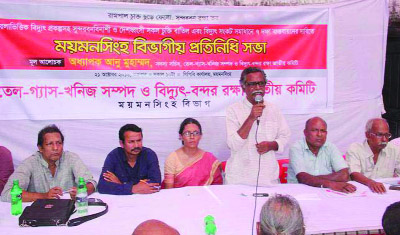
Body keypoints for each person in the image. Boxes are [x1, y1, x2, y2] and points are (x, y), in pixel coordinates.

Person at [225, 67, 291, 186]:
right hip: (239, 180)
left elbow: (285, 136)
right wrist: (251, 117)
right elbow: (233, 144)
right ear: (243, 86)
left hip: (268, 179)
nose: (257, 88)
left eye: (261, 83)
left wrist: (272, 145)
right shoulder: (233, 110)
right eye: (252, 84)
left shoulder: (273, 109)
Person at [1, 125, 96, 202]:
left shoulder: (71, 158)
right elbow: (7, 193)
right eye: (50, 144)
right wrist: (44, 196)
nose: (56, 148)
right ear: (40, 148)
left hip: (69, 212)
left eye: (59, 143)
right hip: (38, 216)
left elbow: (92, 183)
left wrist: (83, 190)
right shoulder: (29, 163)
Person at [287, 117, 356, 193]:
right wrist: (332, 184)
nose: (319, 134)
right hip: (299, 192)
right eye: (314, 130)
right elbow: (302, 178)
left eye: (322, 131)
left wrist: (312, 180)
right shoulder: (296, 148)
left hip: (325, 191)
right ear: (305, 132)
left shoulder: (331, 147)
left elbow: (344, 175)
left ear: (326, 133)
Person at [98, 124, 161, 194]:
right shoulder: (114, 156)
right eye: (131, 142)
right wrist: (132, 188)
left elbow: (156, 184)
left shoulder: (149, 154)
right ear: (122, 143)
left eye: (139, 140)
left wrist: (121, 184)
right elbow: (102, 186)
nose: (136, 145)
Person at [163, 118, 223, 188]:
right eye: (187, 133)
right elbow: (169, 190)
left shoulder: (210, 159)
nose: (192, 137)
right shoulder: (172, 158)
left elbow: (217, 187)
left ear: (200, 136)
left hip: (205, 197)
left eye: (196, 133)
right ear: (181, 136)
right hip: (179, 198)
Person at [346, 118, 400, 194]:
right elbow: (354, 173)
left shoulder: (394, 150)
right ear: (367, 135)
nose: (384, 139)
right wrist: (371, 183)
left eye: (387, 135)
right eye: (379, 135)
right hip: (361, 192)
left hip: (384, 191)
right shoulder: (355, 149)